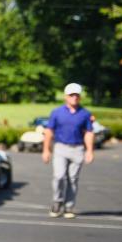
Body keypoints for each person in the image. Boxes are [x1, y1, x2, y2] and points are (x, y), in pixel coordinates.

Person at [42, 82, 94, 219]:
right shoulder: (57, 112)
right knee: (59, 176)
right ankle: (57, 202)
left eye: (77, 95)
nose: (74, 97)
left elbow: (88, 133)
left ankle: (69, 206)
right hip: (60, 148)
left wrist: (89, 151)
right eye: (71, 95)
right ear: (66, 97)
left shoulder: (85, 114)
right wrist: (46, 150)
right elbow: (49, 131)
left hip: (77, 148)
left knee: (73, 179)